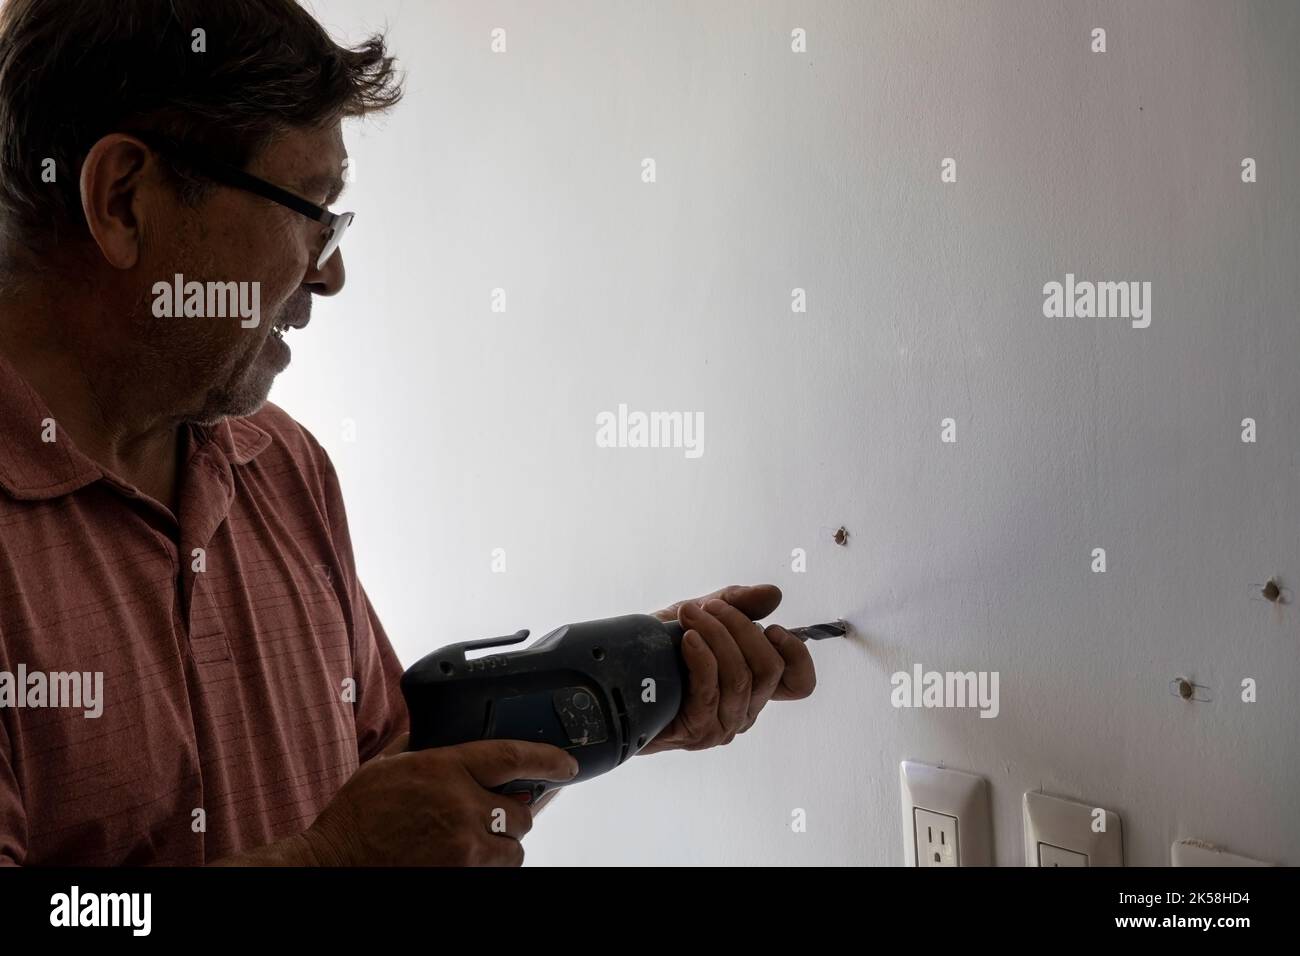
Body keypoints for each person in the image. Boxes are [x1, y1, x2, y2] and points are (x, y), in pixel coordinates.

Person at [0, 0, 816, 866]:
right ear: (124, 198)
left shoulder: (281, 468)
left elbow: (388, 774)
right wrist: (328, 865)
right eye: (311, 208)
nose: (334, 270)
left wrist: (633, 690)